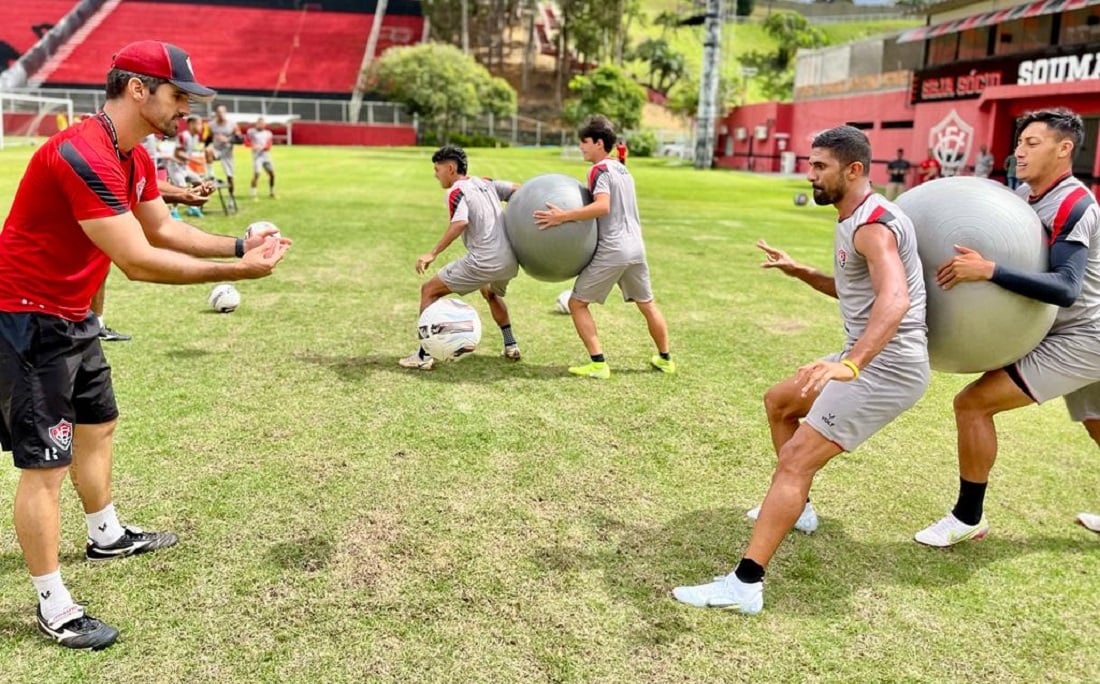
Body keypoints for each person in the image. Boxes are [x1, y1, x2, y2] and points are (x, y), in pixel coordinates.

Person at [0, 40, 290, 650]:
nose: (186, 108)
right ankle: (53, 601)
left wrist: (239, 245)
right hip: (26, 320)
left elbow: (162, 227)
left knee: (99, 424)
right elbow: (138, 261)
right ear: (138, 88)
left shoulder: (133, 154)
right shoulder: (82, 153)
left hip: (73, 314)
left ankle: (104, 534)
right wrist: (240, 275)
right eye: (178, 95)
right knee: (43, 465)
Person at [672, 125, 929, 613]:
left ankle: (744, 585)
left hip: (886, 367)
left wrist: (850, 365)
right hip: (869, 358)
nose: (808, 174)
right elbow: (857, 290)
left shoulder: (874, 225)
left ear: (853, 170)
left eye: (819, 166)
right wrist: (802, 272)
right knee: (780, 402)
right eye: (809, 164)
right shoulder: (854, 218)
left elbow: (894, 301)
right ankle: (801, 510)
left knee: (795, 462)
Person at [913, 107, 1100, 547]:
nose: (1019, 152)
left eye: (1032, 144)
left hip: (1084, 336)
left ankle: (967, 517)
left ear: (1064, 148)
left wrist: (988, 271)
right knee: (1097, 424)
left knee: (973, 404)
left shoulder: (1075, 203)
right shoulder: (1025, 199)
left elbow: (1066, 287)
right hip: (1070, 331)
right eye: (1018, 143)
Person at [533, 115, 674, 379]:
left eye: (584, 142)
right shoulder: (622, 169)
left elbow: (602, 206)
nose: (581, 147)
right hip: (636, 248)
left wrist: (562, 216)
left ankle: (598, 364)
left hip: (614, 249)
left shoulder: (598, 170)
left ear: (599, 143)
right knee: (647, 304)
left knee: (577, 303)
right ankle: (665, 359)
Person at [399, 145, 523, 370]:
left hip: (484, 260)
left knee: (429, 290)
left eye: (437, 169)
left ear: (451, 168)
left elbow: (460, 223)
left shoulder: (456, 191)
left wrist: (432, 253)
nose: (435, 174)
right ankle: (510, 344)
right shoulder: (487, 182)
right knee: (490, 293)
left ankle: (423, 355)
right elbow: (521, 190)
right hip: (510, 261)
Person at [207, 104, 241, 210]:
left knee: (230, 177)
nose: (221, 114)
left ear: (225, 112)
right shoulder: (211, 125)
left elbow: (240, 139)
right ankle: (211, 174)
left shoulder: (232, 125)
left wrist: (228, 140)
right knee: (208, 150)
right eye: (219, 112)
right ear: (216, 113)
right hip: (216, 150)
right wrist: (205, 146)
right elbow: (208, 138)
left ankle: (231, 197)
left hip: (227, 152)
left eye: (223, 112)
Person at [246, 117, 276, 199]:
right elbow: (246, 142)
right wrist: (253, 146)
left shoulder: (268, 133)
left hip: (266, 156)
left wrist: (263, 147)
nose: (260, 125)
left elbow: (269, 145)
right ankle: (253, 194)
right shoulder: (251, 132)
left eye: (262, 123)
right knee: (257, 174)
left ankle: (272, 192)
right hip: (257, 156)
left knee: (272, 174)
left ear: (265, 124)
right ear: (256, 124)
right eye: (259, 123)